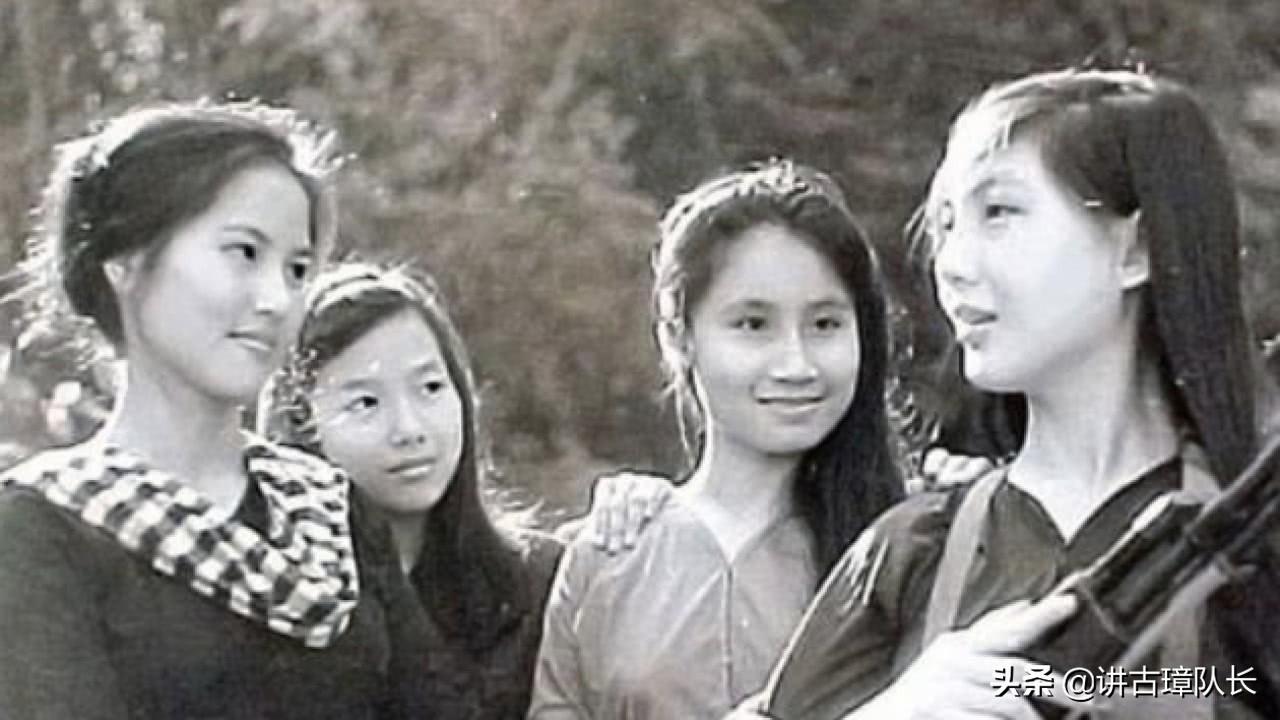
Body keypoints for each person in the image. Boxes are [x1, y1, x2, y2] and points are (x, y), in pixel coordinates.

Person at [760, 67, 1280, 719]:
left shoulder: (1253, 546)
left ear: (1136, 248)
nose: (952, 265)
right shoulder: (915, 550)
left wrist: (1166, 697)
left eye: (999, 212)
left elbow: (1239, 688)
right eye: (946, 225)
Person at [0, 101, 425, 719]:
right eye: (244, 252)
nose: (277, 299)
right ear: (125, 261)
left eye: (298, 269)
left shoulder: (330, 510)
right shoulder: (40, 530)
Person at [528, 159, 906, 719]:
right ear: (679, 337)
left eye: (825, 324)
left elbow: (1045, 685)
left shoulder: (915, 543)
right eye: (753, 324)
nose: (796, 365)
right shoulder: (609, 553)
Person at [261, 261, 670, 720]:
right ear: (301, 425)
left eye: (430, 387)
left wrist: (648, 517)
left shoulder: (537, 584)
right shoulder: (273, 600)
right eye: (366, 402)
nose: (410, 429)